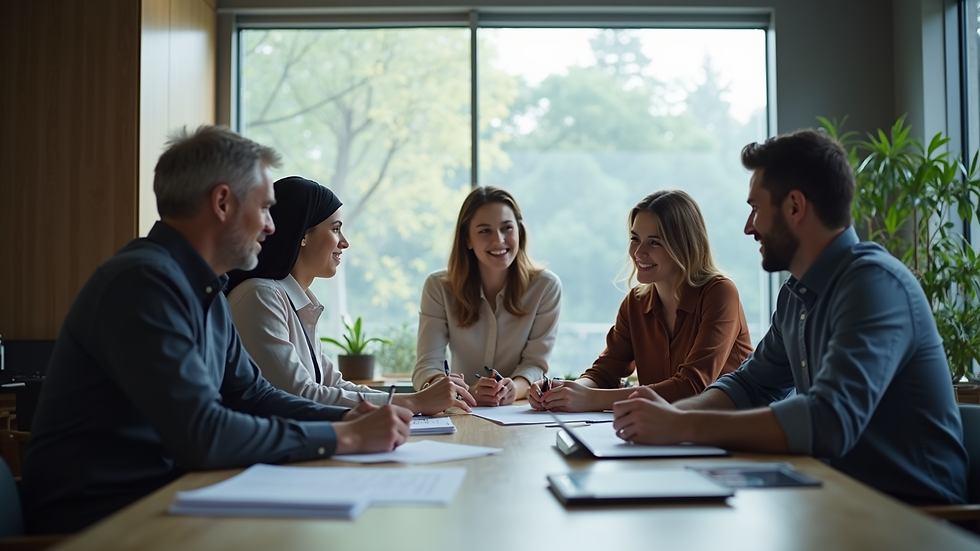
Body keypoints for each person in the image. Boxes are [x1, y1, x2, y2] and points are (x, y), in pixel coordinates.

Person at [21, 126, 413, 534]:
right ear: (223, 202)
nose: (272, 227)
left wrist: (350, 415)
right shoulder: (143, 283)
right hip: (102, 521)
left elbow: (252, 394)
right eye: (264, 208)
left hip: (167, 497)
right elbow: (202, 433)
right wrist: (344, 437)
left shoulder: (207, 287)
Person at [611, 129, 968, 505]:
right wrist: (664, 415)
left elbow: (830, 421)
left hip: (911, 516)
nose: (749, 227)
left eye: (756, 209)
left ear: (795, 207)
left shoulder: (874, 284)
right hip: (832, 497)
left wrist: (681, 424)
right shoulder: (796, 296)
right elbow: (750, 386)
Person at [226, 176, 476, 413]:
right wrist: (414, 402)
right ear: (302, 235)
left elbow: (335, 386)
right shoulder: (260, 296)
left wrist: (415, 400)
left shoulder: (296, 301)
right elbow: (300, 394)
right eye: (335, 229)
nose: (344, 242)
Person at [529, 190, 753, 412]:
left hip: (730, 432)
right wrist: (564, 392)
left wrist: (590, 399)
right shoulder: (635, 302)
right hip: (669, 431)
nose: (638, 252)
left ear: (684, 246)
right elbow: (605, 372)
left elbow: (692, 386)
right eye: (635, 239)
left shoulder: (720, 293)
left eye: (654, 242)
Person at [413, 186, 561, 406]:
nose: (499, 240)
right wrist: (459, 391)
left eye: (507, 228)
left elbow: (535, 364)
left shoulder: (546, 287)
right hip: (462, 410)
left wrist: (513, 389)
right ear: (467, 240)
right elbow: (427, 366)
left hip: (517, 412)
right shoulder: (438, 287)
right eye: (485, 231)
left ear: (519, 231)